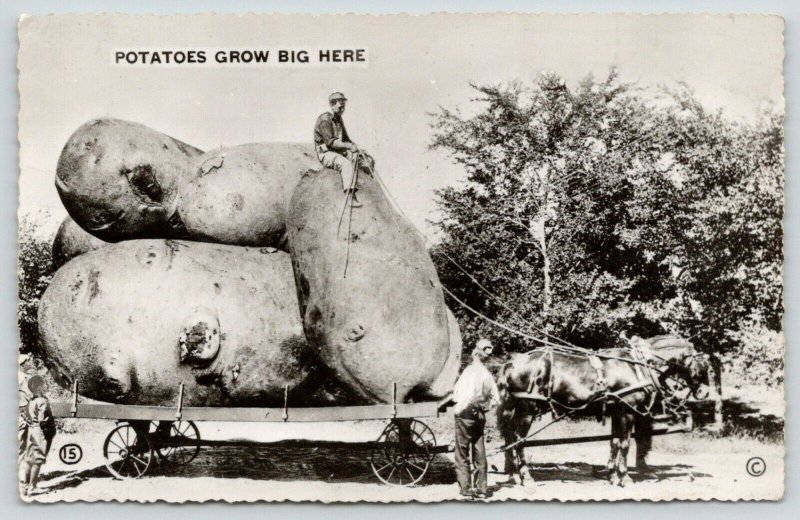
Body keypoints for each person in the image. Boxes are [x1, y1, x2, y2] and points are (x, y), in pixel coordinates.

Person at [452, 338, 500, 499]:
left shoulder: (470, 372)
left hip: (465, 414)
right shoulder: (487, 374)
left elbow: (464, 394)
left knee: (462, 451)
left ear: (475, 355)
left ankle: (466, 489)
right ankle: (482, 489)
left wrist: (458, 410)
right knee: (479, 451)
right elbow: (495, 398)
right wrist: (484, 407)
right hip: (479, 414)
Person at [313, 91, 367, 207]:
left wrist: (356, 148)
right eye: (340, 105)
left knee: (359, 157)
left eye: (343, 105)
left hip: (336, 151)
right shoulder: (325, 120)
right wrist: (348, 146)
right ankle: (350, 197)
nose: (343, 107)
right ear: (332, 105)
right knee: (346, 164)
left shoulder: (339, 119)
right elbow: (331, 142)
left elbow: (346, 139)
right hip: (326, 153)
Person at [23, 375, 56, 497]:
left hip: (32, 430)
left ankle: (26, 486)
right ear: (40, 387)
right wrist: (49, 424)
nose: (46, 386)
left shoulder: (31, 401)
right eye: (44, 384)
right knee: (38, 460)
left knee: (30, 459)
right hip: (40, 433)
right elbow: (43, 420)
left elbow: (27, 416)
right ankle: (33, 487)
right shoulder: (43, 401)